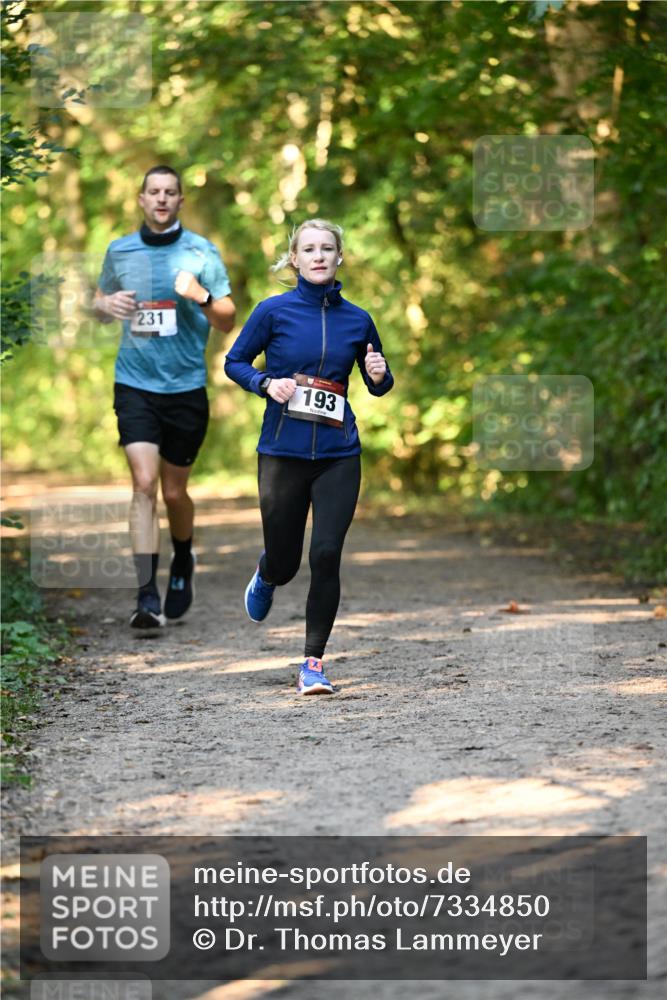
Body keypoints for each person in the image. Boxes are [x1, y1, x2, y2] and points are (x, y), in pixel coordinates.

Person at [224, 219, 393, 694]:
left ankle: (313, 663)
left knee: (326, 553)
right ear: (295, 259)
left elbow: (379, 384)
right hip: (282, 452)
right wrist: (264, 383)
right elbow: (234, 362)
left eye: (327, 249)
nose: (319, 256)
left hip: (339, 453)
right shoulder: (272, 312)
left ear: (340, 258)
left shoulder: (358, 319)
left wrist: (379, 375)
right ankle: (267, 573)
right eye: (310, 249)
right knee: (286, 561)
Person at [94, 165, 236, 631]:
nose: (161, 199)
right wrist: (105, 305)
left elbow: (227, 320)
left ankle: (182, 558)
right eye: (153, 191)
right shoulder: (120, 250)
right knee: (143, 483)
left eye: (169, 192)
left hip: (185, 387)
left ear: (180, 200)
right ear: (141, 199)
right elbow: (99, 303)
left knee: (174, 493)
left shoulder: (200, 251)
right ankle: (145, 595)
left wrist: (200, 294)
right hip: (135, 384)